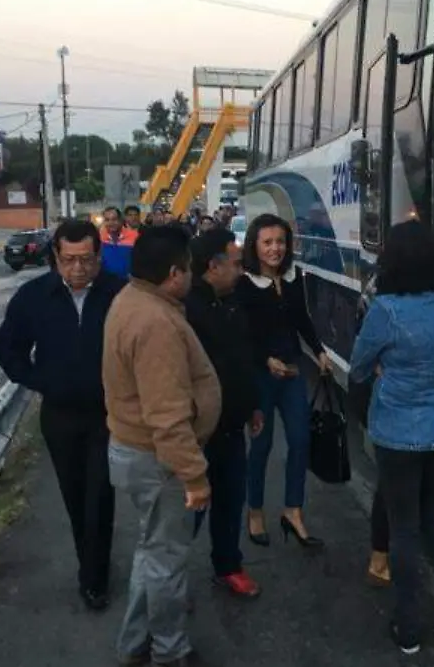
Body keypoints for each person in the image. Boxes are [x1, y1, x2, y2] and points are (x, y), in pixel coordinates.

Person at [349, 219, 434, 655]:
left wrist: (384, 368)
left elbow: (359, 365)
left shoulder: (388, 309)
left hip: (401, 432)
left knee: (403, 528)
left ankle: (407, 627)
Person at [0, 219, 124, 612]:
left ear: (98, 257)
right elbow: (6, 350)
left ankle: (95, 579)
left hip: (108, 416)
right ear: (56, 258)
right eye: (69, 260)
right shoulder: (34, 297)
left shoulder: (119, 294)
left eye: (86, 260)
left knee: (100, 496)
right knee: (75, 495)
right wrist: (41, 381)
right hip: (60, 417)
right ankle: (89, 564)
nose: (78, 268)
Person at [103, 224, 221, 667]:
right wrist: (194, 475)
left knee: (151, 553)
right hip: (156, 459)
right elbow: (167, 416)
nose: (192, 275)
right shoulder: (156, 323)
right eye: (189, 268)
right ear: (174, 274)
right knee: (166, 561)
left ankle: (134, 644)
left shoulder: (133, 299)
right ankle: (170, 652)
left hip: (137, 451)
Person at [235, 213, 330, 548]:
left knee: (301, 441)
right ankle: (255, 510)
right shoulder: (243, 283)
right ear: (254, 245)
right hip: (260, 376)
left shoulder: (293, 276)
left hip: (291, 372)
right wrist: (265, 359)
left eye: (280, 242)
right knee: (261, 445)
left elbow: (302, 318)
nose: (275, 248)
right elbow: (242, 333)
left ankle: (293, 510)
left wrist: (319, 351)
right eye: (267, 242)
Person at [185, 228, 264, 598]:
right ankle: (170, 582)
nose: (240, 269)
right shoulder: (187, 309)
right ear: (212, 267)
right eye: (234, 263)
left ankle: (228, 565)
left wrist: (252, 405)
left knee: (231, 500)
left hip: (232, 425)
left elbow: (243, 359)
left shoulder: (233, 301)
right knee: (190, 510)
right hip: (198, 432)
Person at [100, 206, 138, 279]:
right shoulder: (100, 237)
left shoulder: (135, 236)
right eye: (107, 220)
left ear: (121, 220)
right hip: (105, 281)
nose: (111, 223)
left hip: (129, 282)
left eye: (114, 219)